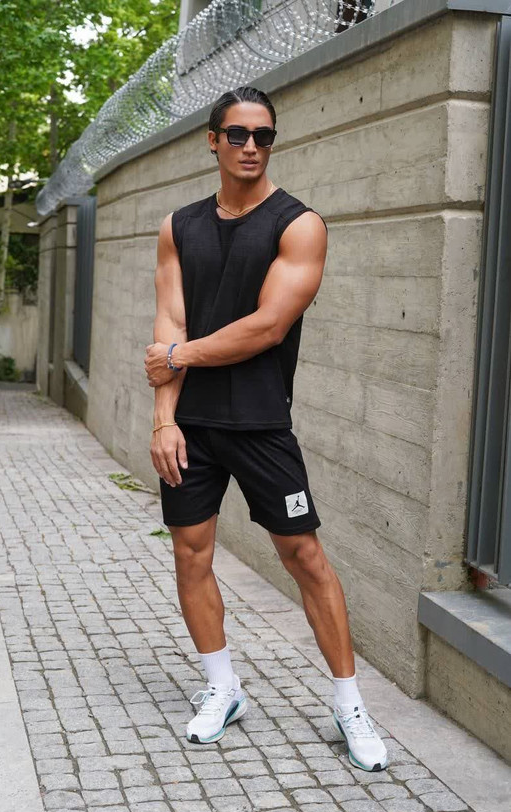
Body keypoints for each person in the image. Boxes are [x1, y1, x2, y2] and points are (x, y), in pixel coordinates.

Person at [144, 86, 387, 772]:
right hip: (190, 424)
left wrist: (177, 357)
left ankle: (350, 706)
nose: (252, 147)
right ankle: (222, 689)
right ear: (213, 140)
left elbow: (267, 327)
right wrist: (163, 418)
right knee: (190, 554)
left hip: (258, 422)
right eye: (238, 134)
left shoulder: (298, 224)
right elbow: (170, 322)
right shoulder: (178, 227)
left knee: (304, 557)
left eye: (264, 136)